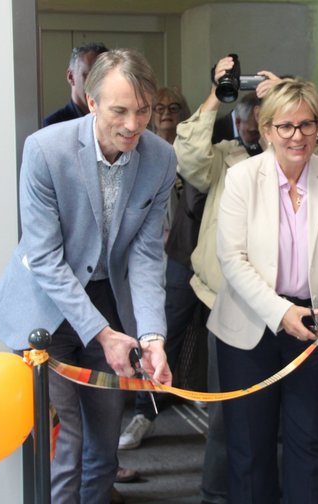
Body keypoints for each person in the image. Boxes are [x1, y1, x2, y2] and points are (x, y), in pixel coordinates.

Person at [0, 48, 176, 504]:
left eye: (144, 110)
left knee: (105, 437)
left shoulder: (161, 158)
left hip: (108, 302)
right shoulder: (45, 150)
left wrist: (152, 336)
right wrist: (104, 334)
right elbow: (46, 258)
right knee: (65, 437)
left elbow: (147, 257)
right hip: (44, 309)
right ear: (91, 102)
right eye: (120, 111)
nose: (134, 124)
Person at [175, 56, 318, 504]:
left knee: (307, 433)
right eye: (273, 124)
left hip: (307, 315)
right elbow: (188, 156)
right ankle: (217, 496)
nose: (291, 133)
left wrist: (288, 96)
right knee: (237, 431)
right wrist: (218, 90)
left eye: (301, 125)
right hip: (230, 304)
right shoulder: (228, 161)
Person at [208, 77, 318, 504]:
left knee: (311, 443)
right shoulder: (241, 179)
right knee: (249, 446)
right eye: (287, 126)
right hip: (248, 327)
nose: (298, 136)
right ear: (267, 127)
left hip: (315, 326)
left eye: (308, 125)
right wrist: (280, 313)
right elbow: (232, 259)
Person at [118, 86, 205, 450]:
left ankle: (195, 391)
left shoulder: (195, 153)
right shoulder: (141, 153)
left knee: (198, 330)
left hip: (195, 256)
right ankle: (144, 412)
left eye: (175, 107)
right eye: (160, 108)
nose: (167, 113)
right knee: (157, 332)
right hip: (156, 258)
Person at [43, 42, 108, 127]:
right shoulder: (54, 125)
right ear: (71, 77)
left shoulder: (113, 120)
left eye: (103, 76)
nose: (97, 84)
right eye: (88, 76)